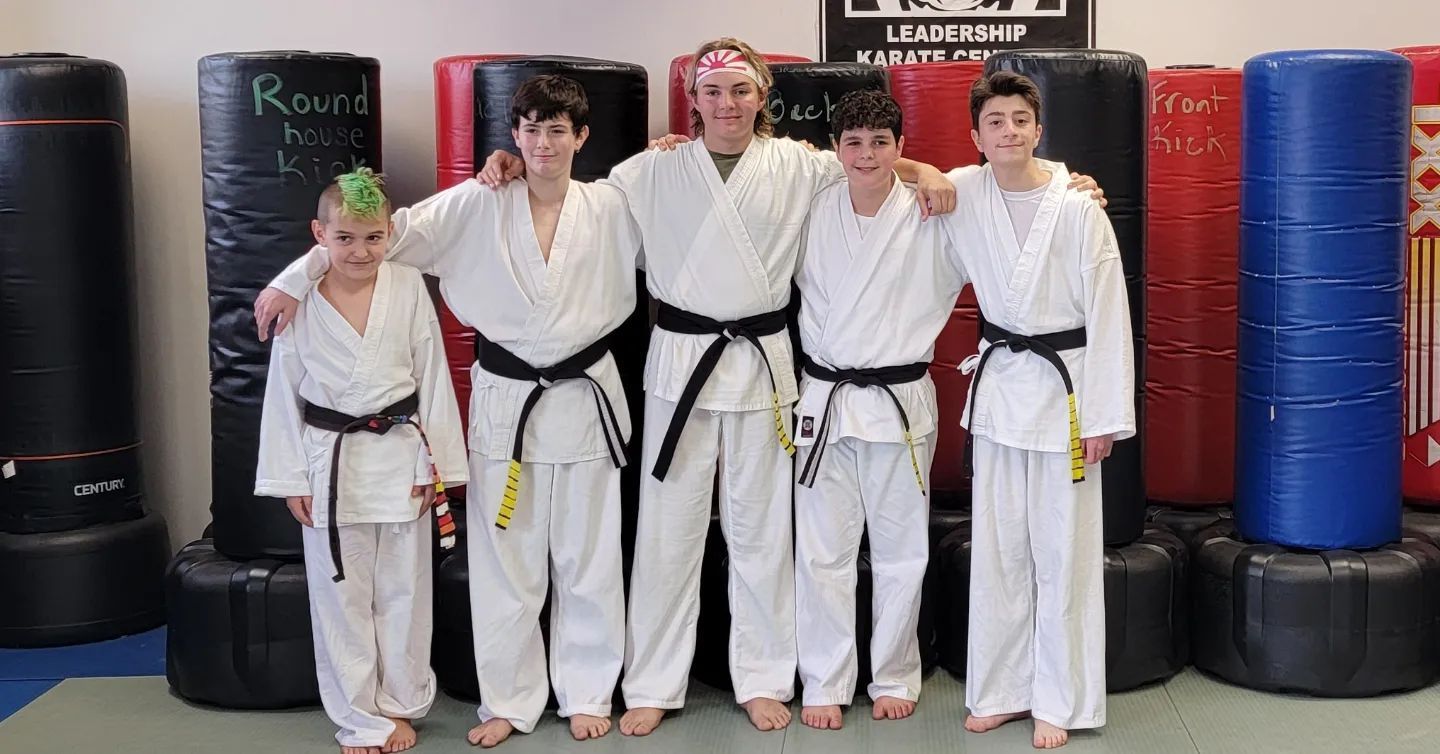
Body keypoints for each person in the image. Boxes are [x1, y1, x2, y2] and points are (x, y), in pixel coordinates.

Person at [479, 37, 959, 737]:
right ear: (693, 101)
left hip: (764, 368)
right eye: (711, 92)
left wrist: (934, 170)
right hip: (680, 366)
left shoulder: (797, 164)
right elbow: (574, 199)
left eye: (739, 91)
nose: (726, 104)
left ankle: (763, 677)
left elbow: (872, 164)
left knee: (762, 532)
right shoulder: (655, 168)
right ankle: (652, 682)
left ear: (762, 96)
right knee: (667, 534)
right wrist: (512, 164)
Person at [254, 76, 642, 748]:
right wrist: (294, 277)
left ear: (582, 137)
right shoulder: (475, 202)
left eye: (558, 130)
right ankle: (509, 700)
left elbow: (686, 202)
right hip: (505, 395)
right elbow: (376, 237)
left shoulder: (615, 204)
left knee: (589, 557)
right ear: (512, 137)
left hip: (586, 396)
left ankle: (587, 692)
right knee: (504, 563)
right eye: (531, 129)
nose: (543, 144)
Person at [945, 70, 1134, 750]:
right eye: (995, 122)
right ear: (976, 135)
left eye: (1020, 120)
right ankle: (1000, 690)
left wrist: (1107, 415)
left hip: (1067, 395)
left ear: (1038, 128)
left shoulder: (1079, 204)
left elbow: (1110, 308)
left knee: (1064, 554)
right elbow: (875, 167)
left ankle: (1061, 698)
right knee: (998, 550)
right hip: (999, 395)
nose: (1009, 132)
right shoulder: (962, 191)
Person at [254, 168, 468, 754]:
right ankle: (359, 716)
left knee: (405, 591)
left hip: (403, 456)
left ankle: (400, 704)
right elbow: (283, 392)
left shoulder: (406, 285)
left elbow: (433, 378)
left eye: (373, 237)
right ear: (318, 233)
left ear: (390, 234)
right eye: (345, 238)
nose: (360, 250)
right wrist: (289, 477)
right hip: (330, 464)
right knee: (340, 597)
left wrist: (440, 466)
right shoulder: (299, 301)